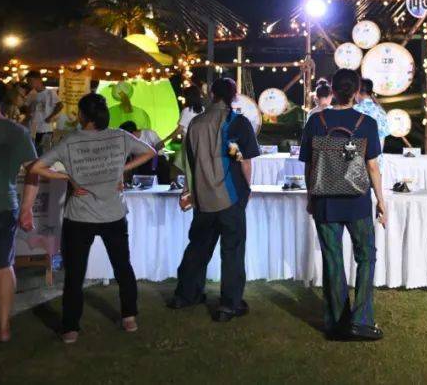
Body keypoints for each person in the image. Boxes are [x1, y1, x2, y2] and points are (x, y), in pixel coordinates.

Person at [20, 93, 155, 343]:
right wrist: (121, 170)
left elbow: (36, 167)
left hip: (80, 217)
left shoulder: (71, 140)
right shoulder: (120, 136)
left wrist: (68, 177)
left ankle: (70, 328)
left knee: (75, 273)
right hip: (114, 214)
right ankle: (129, 317)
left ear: (83, 115)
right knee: (122, 266)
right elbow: (149, 151)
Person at [299, 68, 385, 341]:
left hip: (325, 201)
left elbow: (309, 166)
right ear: (356, 91)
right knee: (366, 256)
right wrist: (381, 201)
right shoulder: (366, 123)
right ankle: (361, 320)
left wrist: (311, 197)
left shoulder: (316, 121)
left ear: (333, 90)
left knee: (333, 259)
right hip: (357, 201)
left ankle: (337, 322)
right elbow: (373, 167)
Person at [167, 78, 259, 322]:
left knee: (198, 247)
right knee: (232, 251)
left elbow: (189, 163)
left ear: (212, 95)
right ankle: (229, 305)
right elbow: (243, 160)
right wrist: (246, 189)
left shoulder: (195, 123)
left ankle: (185, 295)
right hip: (231, 195)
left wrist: (187, 192)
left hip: (202, 196)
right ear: (234, 96)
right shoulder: (237, 122)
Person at [0, 77, 39, 342]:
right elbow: (35, 171)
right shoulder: (17, 132)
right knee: (3, 268)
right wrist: (27, 208)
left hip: (2, 208)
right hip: (3, 207)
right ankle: (4, 328)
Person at [22, 71, 63, 154]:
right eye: (28, 82)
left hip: (46, 128)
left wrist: (50, 117)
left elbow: (60, 105)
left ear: (38, 80)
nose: (29, 84)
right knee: (34, 151)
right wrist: (27, 116)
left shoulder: (50, 93)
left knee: (45, 152)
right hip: (33, 128)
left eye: (31, 81)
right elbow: (26, 108)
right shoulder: (31, 94)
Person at [354, 78, 389, 148]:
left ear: (357, 92)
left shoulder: (355, 110)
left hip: (358, 152)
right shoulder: (381, 112)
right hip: (376, 153)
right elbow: (383, 136)